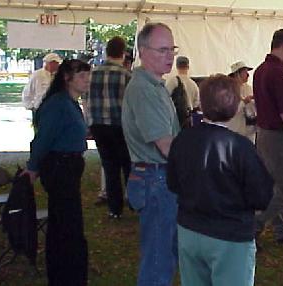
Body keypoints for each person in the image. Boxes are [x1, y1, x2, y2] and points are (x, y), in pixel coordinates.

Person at [167, 75, 273, 286]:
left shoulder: (183, 139)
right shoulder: (240, 148)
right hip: (229, 234)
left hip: (190, 230)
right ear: (235, 106)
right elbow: (261, 195)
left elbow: (173, 183)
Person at [21, 59, 91, 285]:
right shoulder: (58, 104)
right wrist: (33, 167)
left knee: (65, 222)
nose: (86, 80)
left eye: (87, 75)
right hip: (60, 167)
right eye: (81, 76)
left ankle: (67, 271)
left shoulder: (70, 103)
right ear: (67, 78)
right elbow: (43, 139)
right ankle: (66, 273)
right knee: (66, 222)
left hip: (69, 165)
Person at [121, 22, 180, 286]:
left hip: (159, 179)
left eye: (172, 49)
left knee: (164, 255)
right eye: (162, 50)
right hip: (156, 180)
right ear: (143, 51)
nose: (170, 56)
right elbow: (166, 145)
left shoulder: (155, 85)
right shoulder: (144, 89)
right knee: (158, 263)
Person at [253, 28, 283, 246]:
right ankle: (254, 225)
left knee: (272, 184)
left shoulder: (260, 70)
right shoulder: (278, 72)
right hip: (277, 136)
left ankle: (281, 229)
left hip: (263, 134)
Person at [83, 36, 132, 218]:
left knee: (109, 166)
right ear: (123, 53)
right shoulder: (127, 75)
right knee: (128, 165)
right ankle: (134, 202)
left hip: (98, 125)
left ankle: (114, 208)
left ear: (106, 51)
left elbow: (85, 100)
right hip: (120, 125)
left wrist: (88, 122)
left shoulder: (92, 73)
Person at [166, 56, 200, 128]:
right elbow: (196, 104)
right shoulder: (194, 84)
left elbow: (164, 99)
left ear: (177, 66)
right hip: (188, 121)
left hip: (174, 120)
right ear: (188, 67)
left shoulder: (172, 81)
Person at [226, 61, 256, 142]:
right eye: (245, 72)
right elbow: (230, 110)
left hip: (249, 129)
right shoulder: (228, 89)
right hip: (235, 129)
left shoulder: (248, 88)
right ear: (237, 74)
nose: (248, 75)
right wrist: (244, 102)